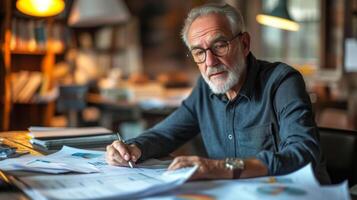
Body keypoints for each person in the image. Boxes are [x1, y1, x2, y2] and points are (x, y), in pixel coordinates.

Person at [106, 3, 330, 184]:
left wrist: (220, 167)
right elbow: (166, 134)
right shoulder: (205, 88)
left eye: (220, 45)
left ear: (244, 43)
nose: (210, 62)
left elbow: (304, 153)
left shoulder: (282, 81)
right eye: (199, 52)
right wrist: (133, 147)